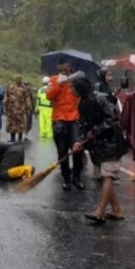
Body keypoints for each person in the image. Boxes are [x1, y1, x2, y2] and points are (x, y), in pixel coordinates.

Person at [70, 75, 128, 224]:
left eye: (72, 87)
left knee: (107, 176)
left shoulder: (101, 98)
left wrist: (95, 131)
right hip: (97, 146)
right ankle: (116, 209)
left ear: (80, 87)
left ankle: (100, 211)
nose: (70, 90)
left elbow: (113, 119)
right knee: (102, 178)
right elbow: (83, 125)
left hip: (112, 143)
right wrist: (79, 141)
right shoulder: (82, 103)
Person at [47, 60, 85, 191]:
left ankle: (77, 177)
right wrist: (58, 85)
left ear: (70, 69)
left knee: (77, 150)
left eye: (65, 70)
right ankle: (66, 179)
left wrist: (73, 85)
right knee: (62, 152)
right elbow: (48, 96)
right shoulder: (54, 79)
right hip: (59, 119)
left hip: (75, 118)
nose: (62, 72)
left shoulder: (77, 79)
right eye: (60, 70)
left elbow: (83, 96)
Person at [3, 75, 32, 143]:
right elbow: (6, 96)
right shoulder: (10, 87)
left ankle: (20, 138)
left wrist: (28, 107)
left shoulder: (24, 88)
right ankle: (12, 138)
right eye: (17, 79)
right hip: (11, 109)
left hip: (20, 109)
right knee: (12, 124)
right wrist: (4, 105)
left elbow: (27, 98)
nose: (18, 80)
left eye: (19, 79)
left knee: (21, 124)